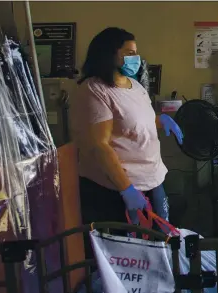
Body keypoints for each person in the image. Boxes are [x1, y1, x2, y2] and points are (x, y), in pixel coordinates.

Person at [70, 27, 184, 236]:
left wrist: (160, 120)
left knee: (162, 242)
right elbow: (99, 145)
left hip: (152, 179)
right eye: (129, 53)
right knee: (127, 254)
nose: (136, 58)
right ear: (109, 54)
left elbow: (132, 121)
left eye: (136, 53)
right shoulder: (95, 90)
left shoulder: (135, 86)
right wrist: (126, 189)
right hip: (116, 188)